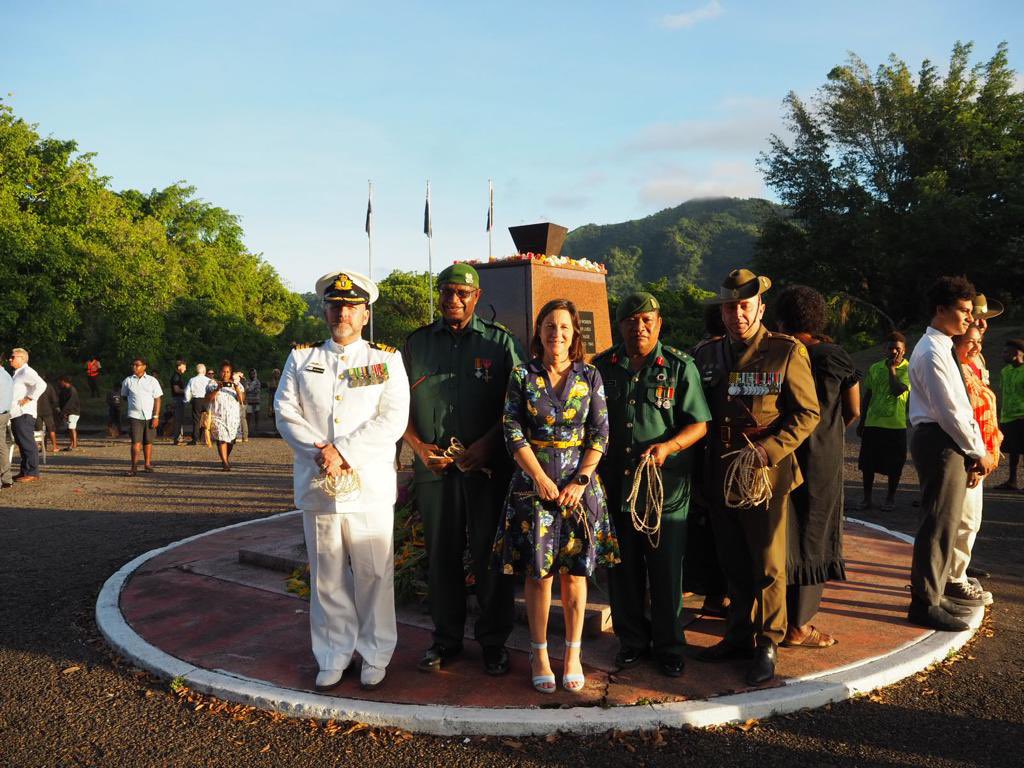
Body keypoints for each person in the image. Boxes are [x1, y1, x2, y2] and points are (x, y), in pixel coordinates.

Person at [275, 269, 409, 692]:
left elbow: (393, 419)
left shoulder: (384, 360)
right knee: (326, 577)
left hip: (366, 486)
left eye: (351, 307)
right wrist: (321, 452)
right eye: (335, 305)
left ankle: (375, 652)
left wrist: (343, 452)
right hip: (319, 482)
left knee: (373, 574)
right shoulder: (301, 359)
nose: (342, 313)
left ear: (365, 314)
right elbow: (285, 412)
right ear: (325, 311)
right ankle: (333, 653)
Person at [692, 269, 820, 686]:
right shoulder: (706, 354)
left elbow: (807, 413)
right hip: (720, 469)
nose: (737, 315)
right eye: (730, 308)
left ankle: (767, 642)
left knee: (767, 563)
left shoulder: (785, 351)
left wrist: (769, 449)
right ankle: (737, 634)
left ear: (760, 308)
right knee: (732, 559)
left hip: (766, 471)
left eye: (745, 307)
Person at [402, 263, 523, 677]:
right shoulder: (417, 343)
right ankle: (446, 639)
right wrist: (418, 447)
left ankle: (493, 642)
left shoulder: (499, 343)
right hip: (435, 471)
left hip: (487, 470)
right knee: (442, 555)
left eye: (462, 293)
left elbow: (519, 403)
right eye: (446, 292)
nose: (453, 300)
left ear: (477, 296)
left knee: (491, 555)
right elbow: (395, 406)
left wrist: (488, 445)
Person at [494, 299, 619, 693]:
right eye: (550, 326)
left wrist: (580, 480)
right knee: (539, 575)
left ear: (574, 333)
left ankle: (574, 653)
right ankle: (540, 654)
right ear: (539, 330)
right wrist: (540, 478)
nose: (557, 334)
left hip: (578, 489)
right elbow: (512, 428)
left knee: (575, 575)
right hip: (534, 487)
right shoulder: (523, 375)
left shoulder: (590, 376)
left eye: (564, 327)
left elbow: (600, 432)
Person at [594, 292, 711, 677]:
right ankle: (631, 641)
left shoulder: (679, 367)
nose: (639, 328)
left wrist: (669, 447)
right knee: (622, 570)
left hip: (665, 491)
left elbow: (698, 424)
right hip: (617, 488)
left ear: (659, 323)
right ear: (619, 325)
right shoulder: (602, 367)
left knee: (665, 573)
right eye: (631, 321)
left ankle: (669, 646)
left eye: (647, 320)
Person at [906, 276, 996, 632]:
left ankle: (935, 592)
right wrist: (978, 450)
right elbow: (951, 411)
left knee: (947, 523)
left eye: (971, 311)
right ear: (940, 309)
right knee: (938, 523)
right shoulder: (931, 351)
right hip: (940, 440)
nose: (969, 318)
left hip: (946, 439)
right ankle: (924, 603)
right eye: (963, 310)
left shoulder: (942, 346)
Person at [775, 286, 860, 648]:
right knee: (815, 531)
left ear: (781, 319)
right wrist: (829, 433)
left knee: (782, 531)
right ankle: (799, 625)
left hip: (783, 449)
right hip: (822, 455)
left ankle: (776, 615)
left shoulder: (778, 352)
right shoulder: (832, 355)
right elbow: (853, 409)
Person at [946, 323, 999, 608]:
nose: (977, 347)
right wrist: (975, 455)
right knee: (965, 520)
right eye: (970, 342)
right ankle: (953, 579)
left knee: (969, 519)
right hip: (970, 454)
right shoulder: (955, 370)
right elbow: (961, 418)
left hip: (981, 452)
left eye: (980, 340)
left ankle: (957, 572)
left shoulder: (971, 365)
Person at [857, 332, 910, 511]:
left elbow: (897, 390)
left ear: (904, 350)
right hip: (873, 424)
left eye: (898, 349)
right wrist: (862, 420)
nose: (894, 351)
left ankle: (890, 498)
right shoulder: (875, 368)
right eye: (890, 348)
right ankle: (866, 499)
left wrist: (892, 369)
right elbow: (868, 394)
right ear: (884, 349)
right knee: (868, 464)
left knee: (895, 465)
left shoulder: (909, 369)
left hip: (896, 425)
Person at [8, 348, 47, 483]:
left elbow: (41, 384)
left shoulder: (27, 371)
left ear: (22, 358)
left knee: (27, 442)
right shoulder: (17, 373)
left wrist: (29, 397)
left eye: (13, 357)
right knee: (21, 442)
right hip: (16, 413)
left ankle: (32, 472)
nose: (10, 359)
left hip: (24, 413)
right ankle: (25, 471)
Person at [121, 357, 163, 475]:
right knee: (136, 441)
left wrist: (156, 416)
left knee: (148, 441)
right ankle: (134, 467)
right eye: (133, 365)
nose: (134, 367)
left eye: (137, 365)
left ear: (144, 366)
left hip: (149, 415)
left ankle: (147, 464)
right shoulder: (128, 381)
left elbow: (157, 399)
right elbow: (124, 396)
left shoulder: (152, 381)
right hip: (134, 415)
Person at [996, 339, 1024, 490]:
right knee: (1013, 450)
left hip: (1022, 416)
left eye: (1007, 352)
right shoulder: (1005, 371)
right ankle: (1012, 481)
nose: (1003, 355)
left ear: (1019, 353)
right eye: (1003, 352)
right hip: (1008, 417)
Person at [207, 361, 245, 470]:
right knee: (221, 438)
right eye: (223, 371)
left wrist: (236, 387)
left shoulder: (237, 385)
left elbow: (242, 400)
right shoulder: (213, 384)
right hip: (218, 417)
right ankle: (225, 462)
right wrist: (217, 389)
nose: (225, 374)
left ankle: (225, 458)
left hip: (233, 418)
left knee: (230, 441)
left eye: (228, 372)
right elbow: (208, 398)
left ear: (231, 373)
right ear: (220, 372)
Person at [184, 363, 210, 445]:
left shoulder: (192, 380)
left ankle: (195, 439)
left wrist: (188, 400)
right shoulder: (208, 380)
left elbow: (187, 391)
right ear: (204, 371)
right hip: (206, 400)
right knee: (209, 419)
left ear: (196, 371)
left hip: (196, 401)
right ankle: (209, 438)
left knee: (196, 420)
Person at [35, 375, 60, 454]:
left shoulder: (34, 386)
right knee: (51, 429)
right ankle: (55, 447)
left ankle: (41, 447)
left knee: (38, 430)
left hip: (36, 411)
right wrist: (55, 407)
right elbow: (54, 400)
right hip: (47, 410)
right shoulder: (48, 386)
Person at [57, 375, 82, 451]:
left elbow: (70, 403)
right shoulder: (64, 390)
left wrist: (63, 412)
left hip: (73, 412)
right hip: (67, 412)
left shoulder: (72, 390)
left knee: (72, 428)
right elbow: (61, 402)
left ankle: (74, 444)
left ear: (64, 381)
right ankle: (72, 443)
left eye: (60, 381)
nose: (59, 383)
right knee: (69, 428)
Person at [0, 364, 14, 488]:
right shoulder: (7, 375)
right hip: (4, 413)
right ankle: (6, 478)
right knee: (2, 445)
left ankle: (5, 478)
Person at [170, 359, 188, 445]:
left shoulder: (179, 376)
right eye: (184, 366)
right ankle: (177, 439)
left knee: (179, 419)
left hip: (179, 399)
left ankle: (178, 438)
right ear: (179, 366)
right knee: (178, 419)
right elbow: (176, 390)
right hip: (177, 399)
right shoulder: (176, 377)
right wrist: (187, 391)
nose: (185, 368)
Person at [245, 368, 262, 436]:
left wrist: (249, 389)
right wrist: (251, 389)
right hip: (249, 400)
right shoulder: (247, 381)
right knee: (248, 415)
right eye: (251, 374)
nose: (252, 375)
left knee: (256, 414)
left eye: (254, 373)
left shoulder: (257, 382)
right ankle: (248, 428)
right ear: (249, 374)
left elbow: (257, 391)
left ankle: (256, 427)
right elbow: (246, 390)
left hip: (256, 400)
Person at [233, 370, 249, 442]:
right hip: (242, 403)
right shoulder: (242, 383)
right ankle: (245, 436)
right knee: (243, 419)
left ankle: (240, 436)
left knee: (240, 419)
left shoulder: (238, 385)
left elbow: (240, 396)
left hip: (240, 403)